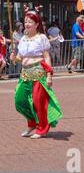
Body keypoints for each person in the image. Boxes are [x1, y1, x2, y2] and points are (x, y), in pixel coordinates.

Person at [10, 7, 63, 138]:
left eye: (29, 22)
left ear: (37, 24)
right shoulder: (23, 39)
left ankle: (42, 129)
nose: (26, 24)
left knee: (38, 102)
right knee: (20, 100)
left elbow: (46, 57)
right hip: (25, 74)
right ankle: (32, 124)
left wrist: (49, 75)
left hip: (38, 72)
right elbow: (20, 58)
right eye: (25, 22)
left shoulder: (41, 38)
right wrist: (14, 59)